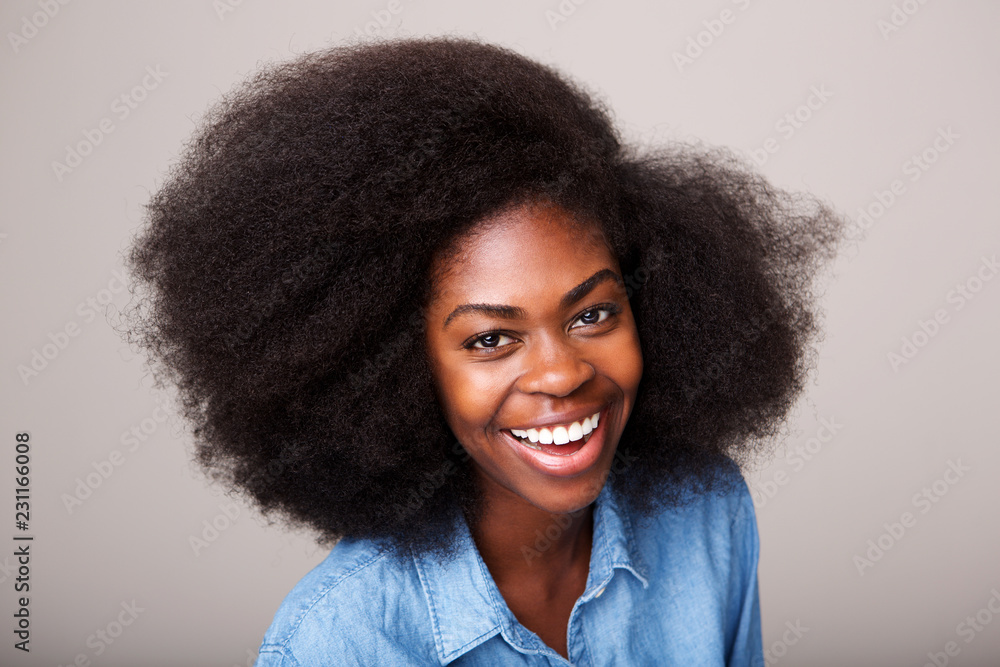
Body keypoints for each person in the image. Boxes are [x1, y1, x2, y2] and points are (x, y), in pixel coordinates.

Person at [122, 36, 842, 665]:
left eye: (593, 312)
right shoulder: (337, 640)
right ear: (396, 369)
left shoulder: (705, 513)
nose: (561, 372)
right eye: (491, 338)